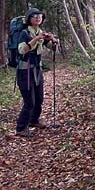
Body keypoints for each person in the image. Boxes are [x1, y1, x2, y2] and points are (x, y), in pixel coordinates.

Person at [15, 7, 58, 137]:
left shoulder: (40, 32)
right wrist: (36, 39)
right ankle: (21, 128)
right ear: (29, 19)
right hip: (25, 71)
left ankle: (34, 120)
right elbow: (22, 50)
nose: (38, 18)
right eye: (34, 16)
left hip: (37, 70)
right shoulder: (24, 33)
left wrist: (53, 40)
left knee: (39, 98)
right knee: (29, 101)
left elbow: (51, 47)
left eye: (40, 16)